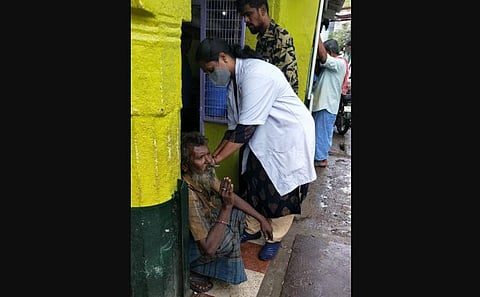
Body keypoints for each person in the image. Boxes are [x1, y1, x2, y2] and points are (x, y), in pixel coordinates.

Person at [195, 37, 317, 261]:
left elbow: (245, 129)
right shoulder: (234, 83)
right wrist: (214, 156)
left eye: (211, 70)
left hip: (287, 136)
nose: (211, 77)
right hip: (262, 138)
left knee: (281, 190)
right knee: (252, 181)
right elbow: (232, 130)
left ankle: (275, 236)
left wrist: (215, 159)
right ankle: (252, 228)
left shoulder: (256, 73)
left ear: (224, 58)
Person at [181, 131, 273, 293]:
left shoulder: (201, 175)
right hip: (188, 245)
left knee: (239, 215)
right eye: (200, 158)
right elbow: (208, 249)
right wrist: (226, 207)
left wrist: (261, 218)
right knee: (226, 239)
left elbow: (234, 199)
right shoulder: (189, 194)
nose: (209, 161)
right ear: (185, 166)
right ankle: (190, 270)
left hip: (203, 226)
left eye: (208, 154)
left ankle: (208, 265)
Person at [236, 0, 299, 94]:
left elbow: (285, 84)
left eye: (249, 14)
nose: (246, 20)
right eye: (244, 16)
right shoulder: (262, 40)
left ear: (262, 10)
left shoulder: (280, 37)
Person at [311, 37, 347, 168]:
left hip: (327, 105)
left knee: (322, 133)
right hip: (323, 104)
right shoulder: (332, 66)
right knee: (320, 133)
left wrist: (318, 35)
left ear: (331, 51)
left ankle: (321, 159)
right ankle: (319, 157)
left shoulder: (339, 63)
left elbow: (324, 57)